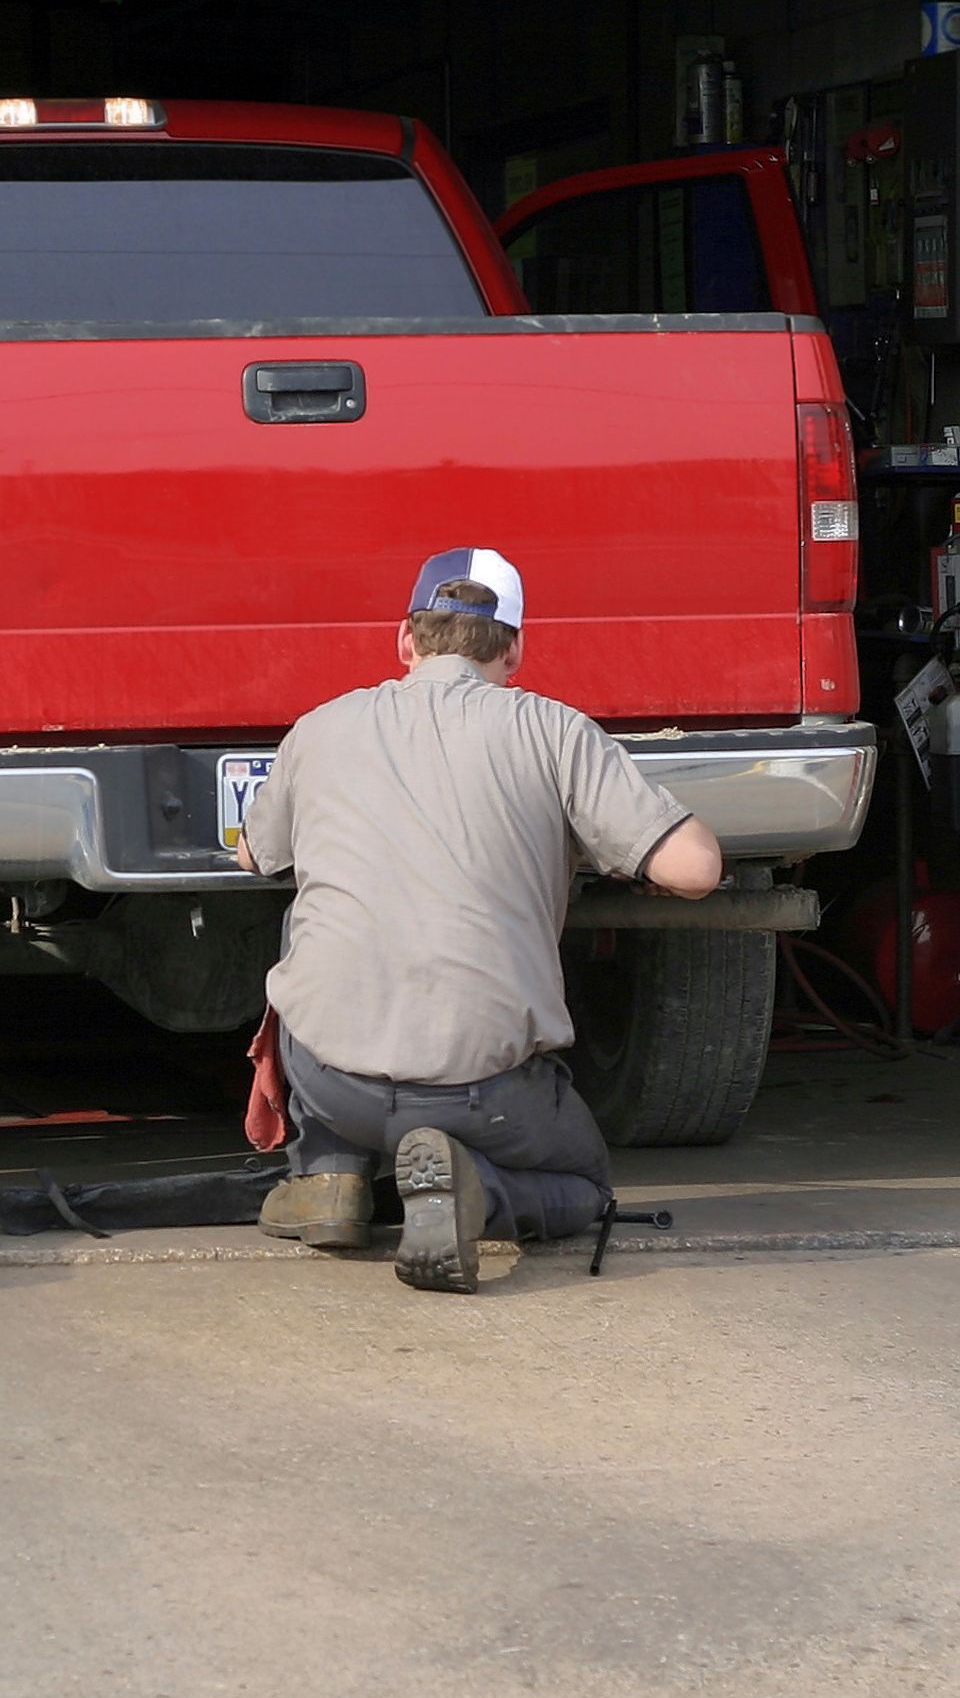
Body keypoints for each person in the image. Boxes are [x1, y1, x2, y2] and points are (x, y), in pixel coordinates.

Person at [235, 548, 724, 1293]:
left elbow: (257, 857)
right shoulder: (554, 731)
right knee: (587, 1184)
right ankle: (477, 1192)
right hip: (486, 1096)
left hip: (336, 1084)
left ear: (406, 639)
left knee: (306, 921)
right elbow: (695, 870)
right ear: (516, 648)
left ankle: (330, 1177)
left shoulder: (319, 728)